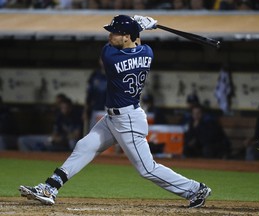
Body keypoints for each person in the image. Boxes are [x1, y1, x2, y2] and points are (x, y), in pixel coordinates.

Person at [19, 14, 211, 208]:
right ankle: (50, 188)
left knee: (147, 169)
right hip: (115, 118)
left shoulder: (109, 56)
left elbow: (120, 45)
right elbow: (138, 43)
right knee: (85, 146)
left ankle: (195, 189)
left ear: (126, 36)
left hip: (127, 120)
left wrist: (139, 26)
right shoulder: (148, 52)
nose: (110, 35)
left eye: (115, 33)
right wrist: (141, 27)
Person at [18, 97, 83, 152]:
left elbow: (76, 135)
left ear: (70, 107)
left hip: (68, 141)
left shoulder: (76, 116)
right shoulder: (59, 116)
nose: (64, 110)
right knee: (23, 140)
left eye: (66, 108)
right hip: (58, 141)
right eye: (62, 108)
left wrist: (63, 138)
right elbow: (55, 133)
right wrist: (54, 138)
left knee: (73, 143)